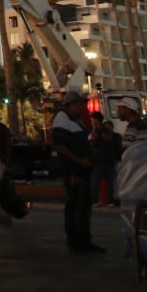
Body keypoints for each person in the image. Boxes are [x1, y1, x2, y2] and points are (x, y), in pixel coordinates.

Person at [52, 94, 102, 253]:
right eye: (80, 105)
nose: (83, 108)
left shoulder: (76, 121)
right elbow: (59, 146)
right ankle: (76, 240)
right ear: (71, 105)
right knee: (76, 205)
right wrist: (79, 161)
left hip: (82, 170)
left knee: (84, 205)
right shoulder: (61, 119)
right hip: (74, 171)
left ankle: (84, 239)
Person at [90, 121, 121, 207]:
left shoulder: (116, 137)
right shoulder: (98, 136)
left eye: (109, 127)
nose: (108, 129)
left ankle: (111, 200)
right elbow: (93, 145)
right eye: (106, 127)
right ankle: (95, 200)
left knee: (111, 182)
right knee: (96, 181)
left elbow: (117, 148)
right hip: (100, 162)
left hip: (110, 162)